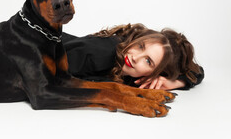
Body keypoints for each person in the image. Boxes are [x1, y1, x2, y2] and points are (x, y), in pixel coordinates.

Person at [63, 23, 204, 90]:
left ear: (156, 73)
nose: (135, 57)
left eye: (148, 61)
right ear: (135, 40)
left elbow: (197, 71)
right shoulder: (99, 53)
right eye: (140, 46)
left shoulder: (136, 77)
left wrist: (174, 82)